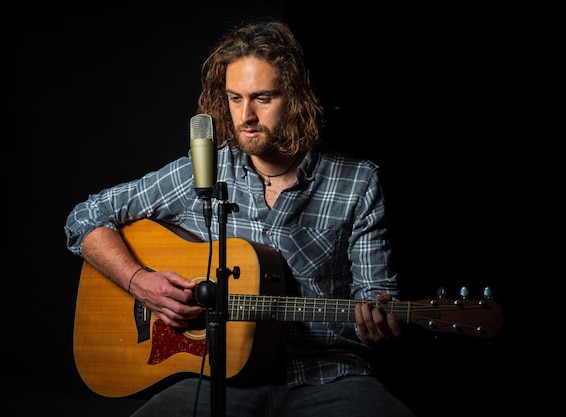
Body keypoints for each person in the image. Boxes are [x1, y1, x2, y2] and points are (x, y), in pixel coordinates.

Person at [65, 19, 416, 417]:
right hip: (212, 377)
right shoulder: (204, 171)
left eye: (262, 99)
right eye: (235, 98)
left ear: (297, 98)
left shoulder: (357, 182)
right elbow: (86, 217)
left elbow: (375, 295)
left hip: (326, 377)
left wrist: (378, 326)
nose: (244, 115)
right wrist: (139, 281)